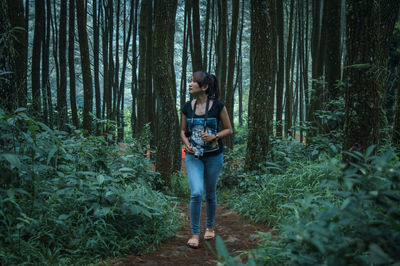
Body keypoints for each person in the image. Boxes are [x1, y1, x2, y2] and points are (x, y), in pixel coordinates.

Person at [180, 70, 233, 248]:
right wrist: (187, 143)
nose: (190, 84)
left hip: (214, 156)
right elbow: (182, 130)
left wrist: (214, 136)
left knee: (210, 194)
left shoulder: (218, 106)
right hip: (193, 156)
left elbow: (229, 129)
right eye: (190, 81)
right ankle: (195, 233)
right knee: (196, 193)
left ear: (204, 86)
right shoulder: (187, 106)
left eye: (193, 81)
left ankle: (209, 227)